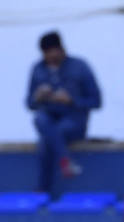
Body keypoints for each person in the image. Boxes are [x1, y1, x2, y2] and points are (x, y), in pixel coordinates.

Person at [26, 31, 101, 193]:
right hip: (48, 119)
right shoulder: (38, 69)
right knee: (40, 120)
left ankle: (42, 189)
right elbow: (29, 104)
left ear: (61, 49)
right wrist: (38, 96)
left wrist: (71, 100)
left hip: (74, 121)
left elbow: (96, 101)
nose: (50, 57)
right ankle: (65, 161)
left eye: (53, 52)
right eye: (47, 54)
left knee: (49, 138)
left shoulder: (80, 67)